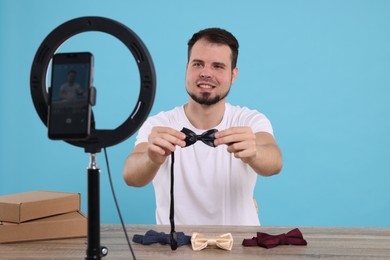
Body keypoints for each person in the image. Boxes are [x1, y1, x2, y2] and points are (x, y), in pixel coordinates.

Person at [123, 28, 283, 226]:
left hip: (241, 248)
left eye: (218, 66)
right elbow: (130, 176)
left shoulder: (249, 120)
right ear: (187, 68)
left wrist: (255, 154)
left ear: (233, 75)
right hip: (174, 249)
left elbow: (275, 162)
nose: (206, 73)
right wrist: (151, 159)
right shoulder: (159, 124)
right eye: (198, 64)